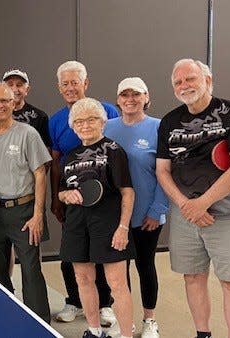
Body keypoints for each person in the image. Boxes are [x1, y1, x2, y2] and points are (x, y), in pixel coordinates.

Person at [156, 58, 230, 338]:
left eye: (190, 78)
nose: (184, 85)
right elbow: (162, 171)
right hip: (185, 213)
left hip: (226, 212)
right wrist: (185, 205)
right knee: (192, 277)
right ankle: (202, 334)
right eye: (178, 82)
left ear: (208, 80)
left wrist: (202, 204)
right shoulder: (169, 121)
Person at [0, 82, 52, 323]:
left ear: (13, 103)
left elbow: (40, 174)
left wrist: (38, 214)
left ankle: (39, 323)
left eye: (4, 101)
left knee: (30, 271)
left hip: (24, 211)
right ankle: (3, 318)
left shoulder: (28, 134)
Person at [49, 60, 118, 325]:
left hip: (105, 200)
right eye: (65, 83)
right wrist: (57, 198)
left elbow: (116, 153)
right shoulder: (56, 121)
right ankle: (74, 301)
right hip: (72, 200)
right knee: (71, 252)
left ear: (85, 83)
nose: (70, 88)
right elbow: (56, 163)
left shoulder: (108, 111)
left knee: (102, 252)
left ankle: (105, 304)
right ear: (59, 87)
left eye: (74, 82)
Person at [59, 97, 135, 338]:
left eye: (91, 119)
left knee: (117, 283)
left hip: (107, 223)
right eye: (79, 121)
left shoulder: (113, 150)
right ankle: (93, 330)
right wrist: (66, 195)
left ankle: (125, 334)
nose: (85, 125)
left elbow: (127, 192)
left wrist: (123, 227)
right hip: (77, 224)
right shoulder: (69, 156)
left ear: (102, 121)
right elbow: (61, 191)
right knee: (83, 278)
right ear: (73, 125)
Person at [105, 77, 169, 338]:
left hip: (146, 215)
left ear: (146, 97)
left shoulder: (158, 127)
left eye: (136, 94)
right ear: (118, 99)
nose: (130, 99)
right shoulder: (107, 127)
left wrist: (157, 210)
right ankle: (126, 321)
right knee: (120, 271)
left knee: (145, 265)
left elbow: (166, 173)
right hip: (115, 215)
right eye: (124, 95)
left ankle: (149, 320)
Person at [0, 69, 52, 148]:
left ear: (27, 89)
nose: (14, 89)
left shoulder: (39, 116)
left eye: (19, 85)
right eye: (10, 85)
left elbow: (46, 149)